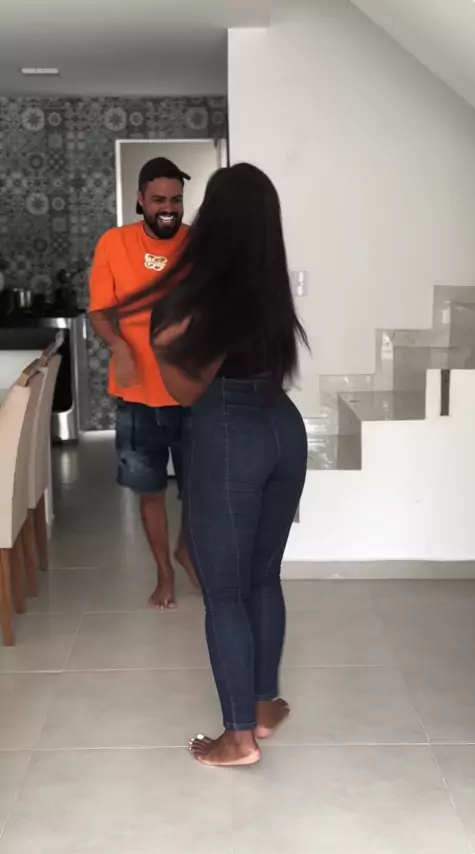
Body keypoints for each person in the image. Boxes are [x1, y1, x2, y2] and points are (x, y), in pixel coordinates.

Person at [116, 162, 309, 767]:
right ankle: (263, 705)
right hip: (283, 427)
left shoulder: (200, 292)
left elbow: (187, 388)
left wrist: (159, 350)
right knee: (263, 577)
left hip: (230, 434)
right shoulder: (268, 287)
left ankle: (238, 738)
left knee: (223, 591)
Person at [89, 156, 197, 610]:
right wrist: (119, 346)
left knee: (199, 488)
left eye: (175, 199)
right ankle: (163, 573)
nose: (168, 208)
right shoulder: (114, 243)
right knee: (149, 488)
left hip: (190, 391)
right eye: (158, 200)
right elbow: (99, 312)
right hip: (136, 395)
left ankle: (186, 550)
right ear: (140, 199)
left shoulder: (197, 245)